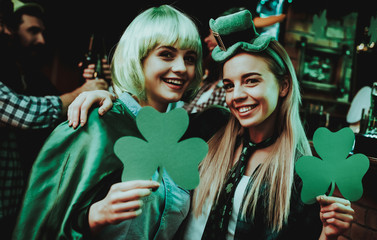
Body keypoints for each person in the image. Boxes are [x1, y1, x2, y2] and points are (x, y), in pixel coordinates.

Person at [67, 10, 355, 240]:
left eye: (251, 80)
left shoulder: (301, 172)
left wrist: (328, 236)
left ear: (283, 85)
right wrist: (108, 97)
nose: (238, 95)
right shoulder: (208, 129)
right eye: (229, 85)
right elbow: (147, 121)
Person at [13, 4, 205, 240]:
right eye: (166, 54)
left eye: (190, 58)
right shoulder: (95, 125)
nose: (181, 68)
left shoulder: (189, 135)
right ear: (139, 58)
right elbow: (39, 227)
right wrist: (89, 219)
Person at [0, 1, 107, 239]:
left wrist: (92, 85)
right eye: (32, 31)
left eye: (43, 32)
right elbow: (28, 114)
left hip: (19, 201)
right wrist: (82, 91)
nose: (41, 41)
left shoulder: (33, 77)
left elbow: (58, 111)